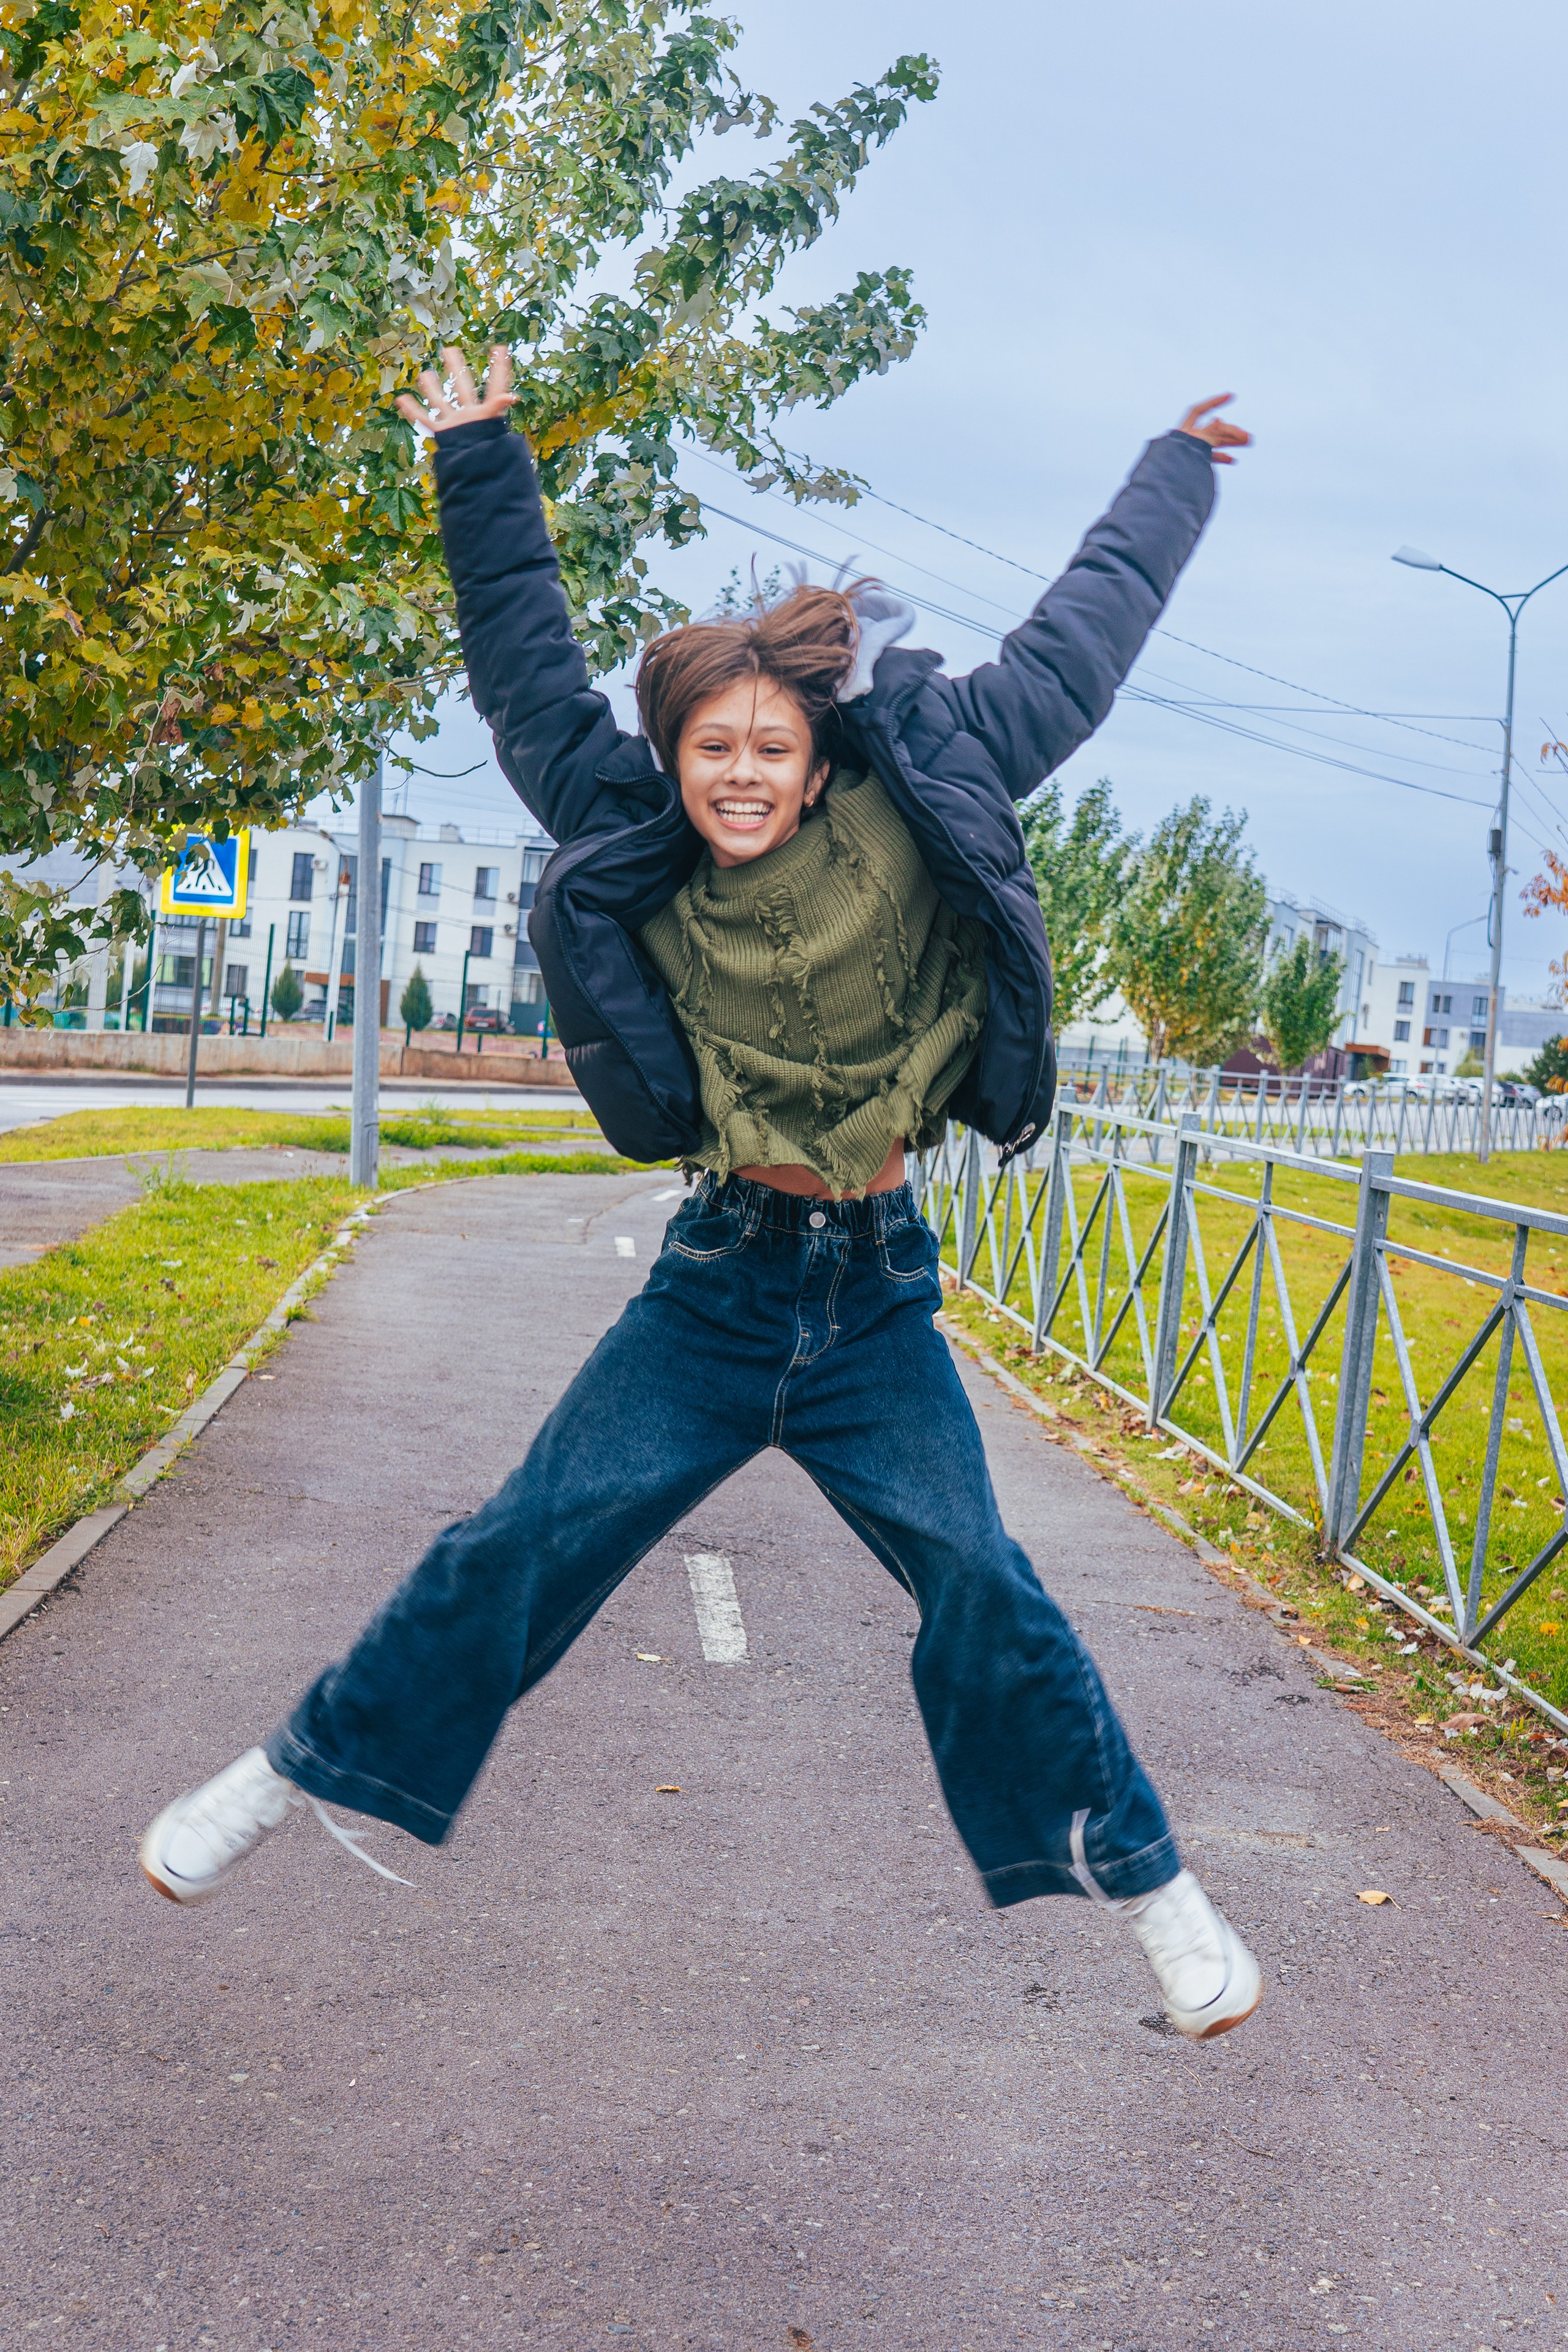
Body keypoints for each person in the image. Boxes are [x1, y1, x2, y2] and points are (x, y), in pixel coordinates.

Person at [140, 353, 1262, 2041]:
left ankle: (1159, 1895)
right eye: (709, 750)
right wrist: (476, 452)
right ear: (677, 760)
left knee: (983, 1583)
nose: (736, 775)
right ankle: (291, 1770)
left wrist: (1174, 474)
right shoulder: (627, 825)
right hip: (720, 1285)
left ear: (818, 759)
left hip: (877, 1294)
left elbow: (1078, 652)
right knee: (524, 1536)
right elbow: (525, 662)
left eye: (767, 748)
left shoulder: (934, 785)